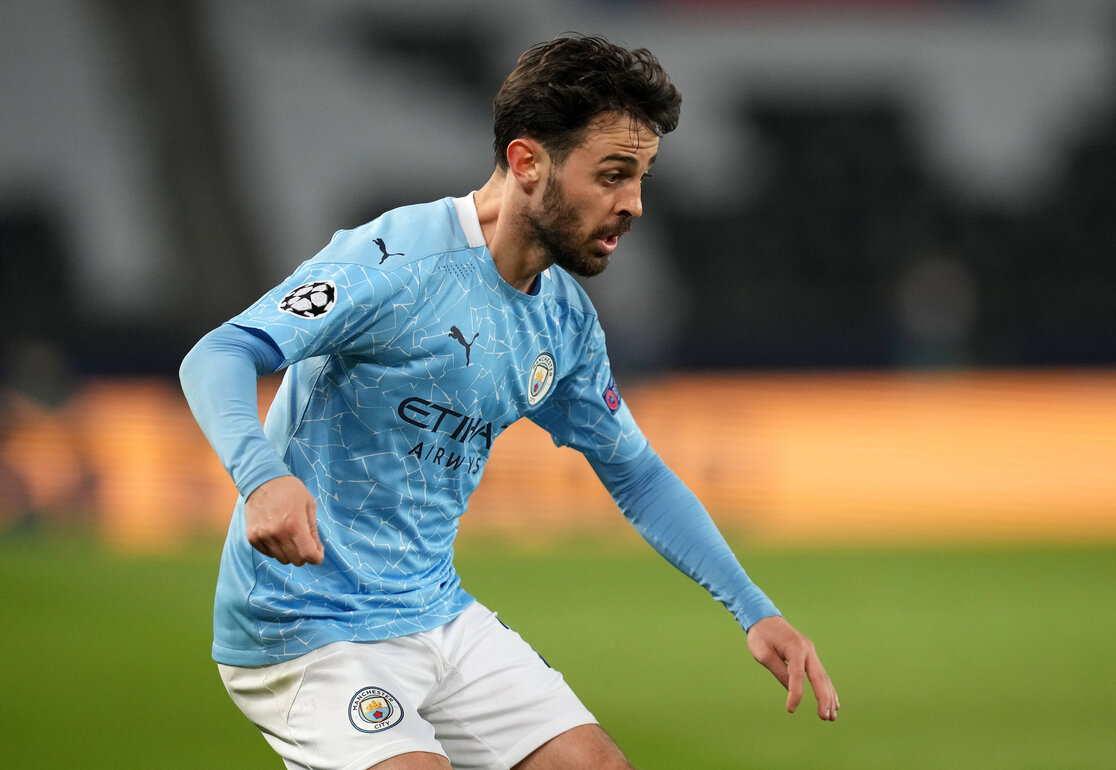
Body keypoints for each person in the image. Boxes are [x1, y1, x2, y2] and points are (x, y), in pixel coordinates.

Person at [180, 34, 838, 770]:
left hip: (434, 614)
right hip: (305, 624)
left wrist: (755, 610)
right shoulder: (395, 260)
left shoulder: (563, 320)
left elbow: (638, 474)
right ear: (528, 162)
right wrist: (262, 477)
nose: (635, 204)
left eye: (643, 177)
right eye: (614, 175)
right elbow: (219, 353)